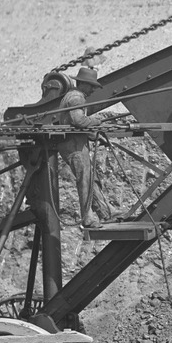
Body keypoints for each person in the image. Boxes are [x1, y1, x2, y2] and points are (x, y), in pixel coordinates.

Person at [57, 66, 112, 228]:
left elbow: (75, 125)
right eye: (92, 85)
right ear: (82, 83)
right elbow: (78, 121)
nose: (94, 89)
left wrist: (94, 136)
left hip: (76, 142)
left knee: (90, 177)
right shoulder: (76, 98)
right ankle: (86, 218)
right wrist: (97, 122)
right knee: (84, 180)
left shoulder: (74, 96)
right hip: (73, 145)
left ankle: (105, 212)